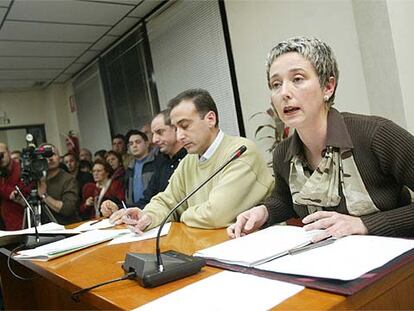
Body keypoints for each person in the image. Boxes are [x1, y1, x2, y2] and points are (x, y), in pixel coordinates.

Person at [227, 37, 414, 241]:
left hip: (398, 262)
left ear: (328, 87)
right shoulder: (283, 153)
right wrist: (263, 212)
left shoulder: (376, 135)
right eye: (275, 84)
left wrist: (365, 224)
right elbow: (286, 200)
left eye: (297, 79)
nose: (284, 93)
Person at [110, 89, 274, 232]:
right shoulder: (189, 161)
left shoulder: (241, 151)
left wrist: (182, 213)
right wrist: (148, 216)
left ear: (210, 119)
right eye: (176, 129)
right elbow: (167, 201)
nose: (180, 136)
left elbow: (216, 215)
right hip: (208, 245)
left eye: (185, 126)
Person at [101, 109, 187, 216]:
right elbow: (148, 201)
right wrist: (119, 208)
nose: (155, 140)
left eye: (160, 132)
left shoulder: (191, 159)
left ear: (176, 129)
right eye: (153, 134)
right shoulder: (161, 163)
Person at [37, 143, 80, 225]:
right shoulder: (37, 180)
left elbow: (67, 209)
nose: (50, 158)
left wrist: (44, 196)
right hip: (44, 229)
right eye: (46, 155)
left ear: (60, 158)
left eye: (53, 154)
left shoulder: (68, 179)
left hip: (64, 228)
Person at [0, 143, 27, 230]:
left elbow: (22, 192)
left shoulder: (21, 169)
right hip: (7, 223)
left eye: (1, 154)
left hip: (24, 219)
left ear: (8, 152)